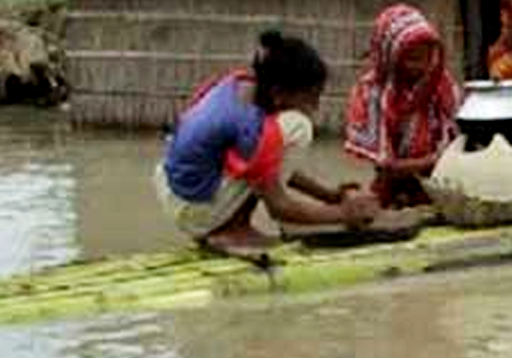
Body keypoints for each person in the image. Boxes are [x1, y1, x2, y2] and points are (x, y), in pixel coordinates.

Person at [154, 31, 379, 258]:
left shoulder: (243, 83)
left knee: (279, 137)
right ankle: (232, 229)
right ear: (279, 94)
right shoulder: (251, 128)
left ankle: (224, 223)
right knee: (299, 126)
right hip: (194, 209)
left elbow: (270, 167)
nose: (315, 106)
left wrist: (327, 195)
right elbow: (279, 207)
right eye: (311, 98)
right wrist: (343, 214)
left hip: (176, 192)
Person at [344, 4, 460, 207]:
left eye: (427, 57)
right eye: (413, 59)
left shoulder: (442, 86)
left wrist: (443, 160)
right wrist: (433, 161)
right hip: (391, 187)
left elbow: (458, 140)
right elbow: (386, 167)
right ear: (392, 56)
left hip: (440, 183)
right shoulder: (372, 93)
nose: (422, 66)